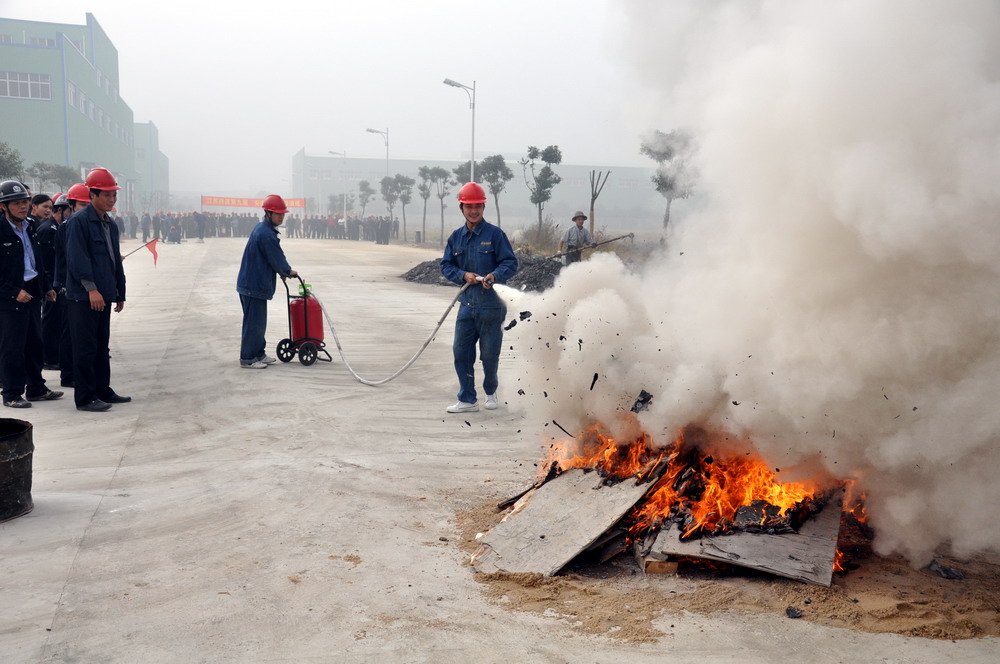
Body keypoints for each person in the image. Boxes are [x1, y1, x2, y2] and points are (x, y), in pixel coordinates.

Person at [440, 182, 518, 413]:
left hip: (492, 307)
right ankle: (467, 399)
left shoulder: (495, 235)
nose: (473, 211)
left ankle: (490, 391)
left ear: (483, 207)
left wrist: (495, 275)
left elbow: (510, 263)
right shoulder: (456, 237)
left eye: (477, 206)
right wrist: (463, 275)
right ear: (461, 208)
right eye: (469, 206)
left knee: (489, 355)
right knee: (461, 352)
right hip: (467, 305)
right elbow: (446, 265)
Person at [64, 168, 130, 412]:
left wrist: (119, 292)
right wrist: (91, 290)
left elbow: (114, 261)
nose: (112, 199)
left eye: (114, 195)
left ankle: (103, 389)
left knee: (102, 346)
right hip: (84, 297)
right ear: (92, 195)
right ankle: (85, 397)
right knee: (85, 347)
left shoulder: (109, 223)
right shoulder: (79, 222)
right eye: (107, 195)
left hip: (104, 295)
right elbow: (77, 259)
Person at [0, 180, 63, 408]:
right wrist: (14, 292)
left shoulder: (31, 226)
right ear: (3, 207)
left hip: (33, 294)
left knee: (35, 344)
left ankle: (36, 388)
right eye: (16, 203)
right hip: (10, 300)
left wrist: (46, 287)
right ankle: (12, 393)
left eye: (25, 202)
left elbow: (37, 262)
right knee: (12, 347)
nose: (23, 206)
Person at [236, 194, 297, 369]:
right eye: (278, 214)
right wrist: (287, 271)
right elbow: (276, 257)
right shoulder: (266, 234)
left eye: (282, 214)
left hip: (254, 283)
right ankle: (248, 358)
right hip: (252, 284)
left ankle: (259, 354)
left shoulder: (263, 229)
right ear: (268, 213)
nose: (281, 217)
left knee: (259, 323)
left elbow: (270, 257)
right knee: (253, 324)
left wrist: (281, 271)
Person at [53, 183, 91, 389]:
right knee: (69, 333)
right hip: (69, 286)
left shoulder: (89, 225)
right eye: (82, 205)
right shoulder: (66, 227)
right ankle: (68, 375)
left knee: (83, 334)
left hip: (83, 287)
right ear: (71, 206)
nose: (86, 209)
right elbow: (67, 260)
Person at [37, 193, 70, 370]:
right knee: (50, 321)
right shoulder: (48, 229)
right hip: (51, 283)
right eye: (70, 210)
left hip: (57, 282)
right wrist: (48, 285)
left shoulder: (58, 228)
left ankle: (55, 355)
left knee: (58, 320)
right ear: (61, 210)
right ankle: (49, 358)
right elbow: (44, 262)